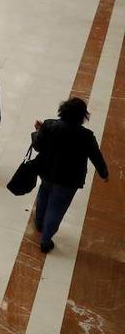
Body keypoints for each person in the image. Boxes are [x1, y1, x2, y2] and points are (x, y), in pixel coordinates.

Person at [31, 97, 110, 253]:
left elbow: (38, 146)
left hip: (47, 171)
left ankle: (39, 223)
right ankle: (45, 241)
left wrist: (38, 131)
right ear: (82, 116)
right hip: (68, 180)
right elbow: (96, 156)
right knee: (57, 208)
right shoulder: (86, 136)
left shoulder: (49, 125)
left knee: (43, 195)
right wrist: (104, 173)